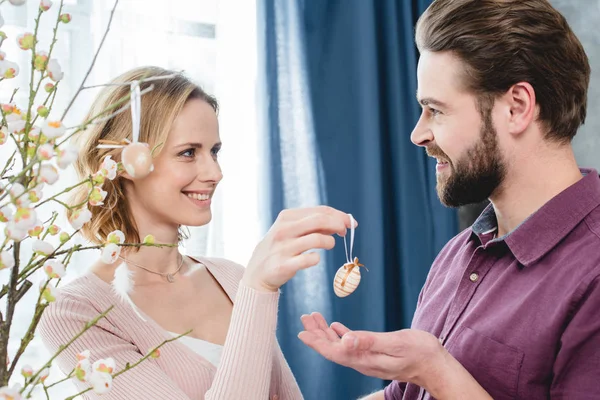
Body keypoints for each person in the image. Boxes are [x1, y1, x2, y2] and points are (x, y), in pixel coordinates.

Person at [298, 0, 600, 399]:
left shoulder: (592, 273)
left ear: (517, 107)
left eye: (435, 110)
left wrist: (437, 372)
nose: (417, 134)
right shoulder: (460, 254)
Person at [38, 66, 356, 399]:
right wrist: (257, 289)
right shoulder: (76, 314)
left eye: (214, 151)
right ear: (125, 160)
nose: (215, 173)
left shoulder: (232, 279)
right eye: (188, 153)